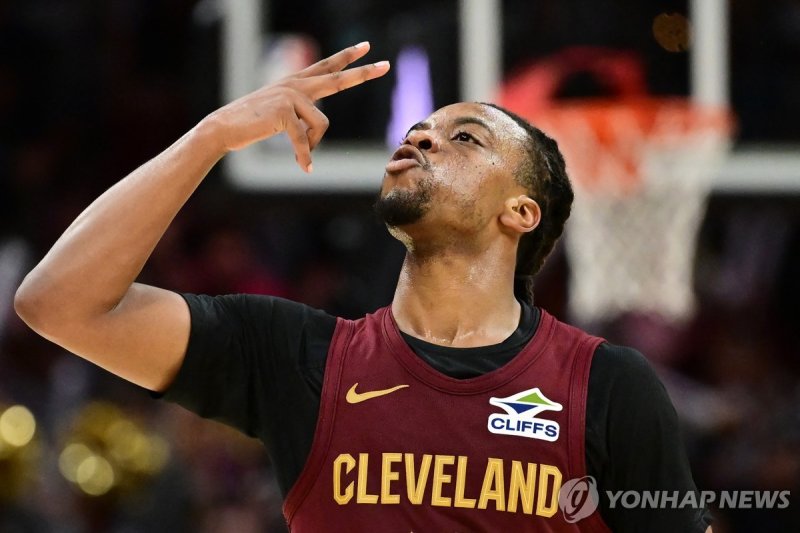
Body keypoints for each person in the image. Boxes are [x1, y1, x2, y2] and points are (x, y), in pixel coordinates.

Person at [15, 43, 711, 532]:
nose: (422, 138)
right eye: (419, 130)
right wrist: (210, 137)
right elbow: (56, 303)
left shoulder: (607, 386)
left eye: (465, 138)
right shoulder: (299, 358)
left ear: (520, 211)